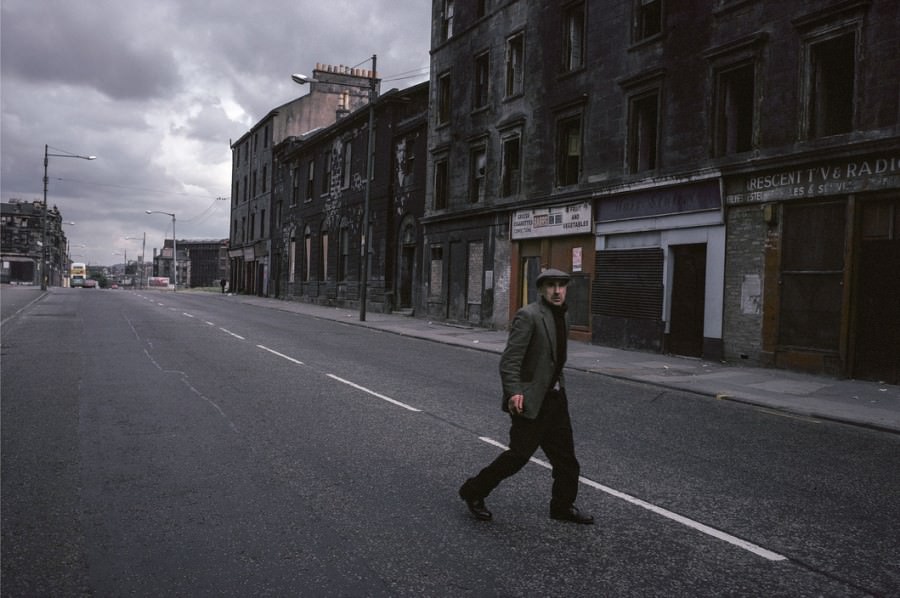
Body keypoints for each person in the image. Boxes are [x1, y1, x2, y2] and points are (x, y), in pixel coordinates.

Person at [459, 268, 594, 524]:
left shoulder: (562, 317)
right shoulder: (529, 316)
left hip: (555, 398)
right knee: (518, 456)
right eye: (551, 286)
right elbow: (510, 361)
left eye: (561, 286)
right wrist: (514, 392)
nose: (557, 291)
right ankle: (473, 491)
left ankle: (562, 507)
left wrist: (559, 387)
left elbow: (554, 359)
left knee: (567, 461)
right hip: (530, 400)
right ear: (541, 290)